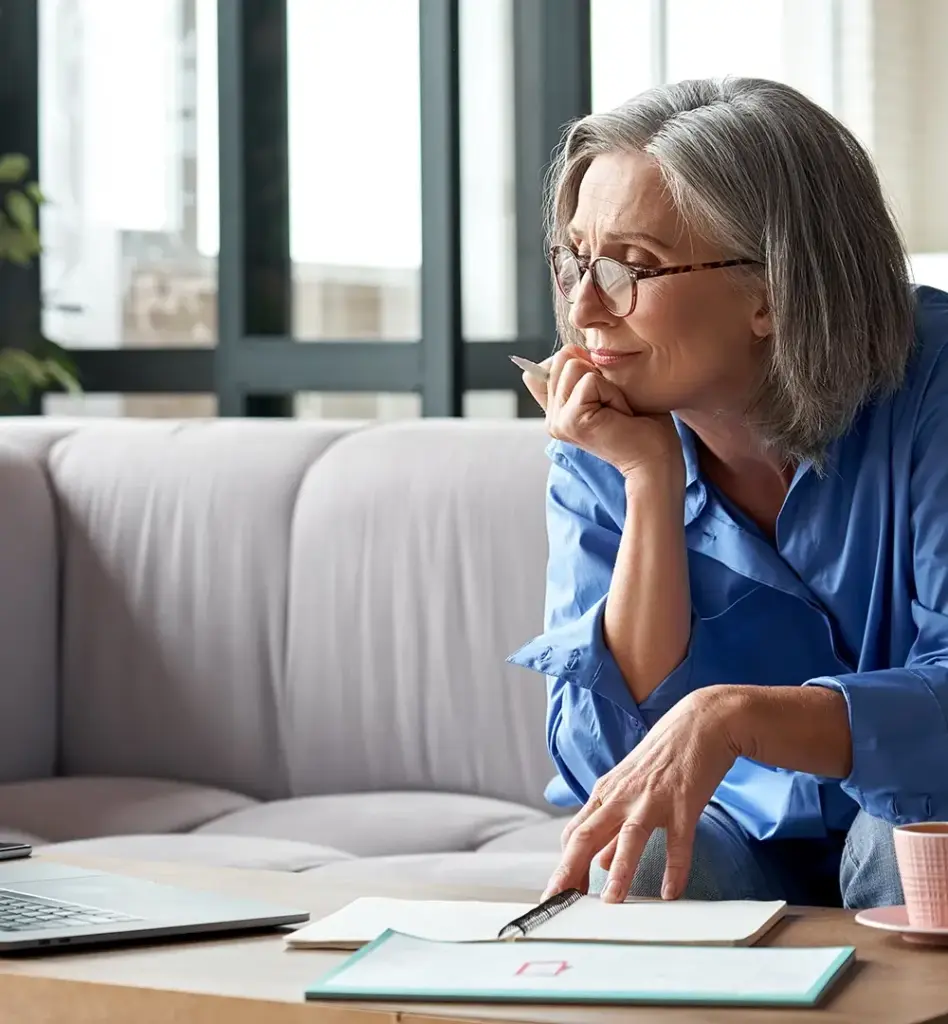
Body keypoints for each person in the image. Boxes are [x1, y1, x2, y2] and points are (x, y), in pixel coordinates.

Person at [507, 76, 948, 911]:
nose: (586, 307)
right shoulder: (607, 424)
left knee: (909, 846)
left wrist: (736, 716)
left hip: (927, 810)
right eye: (577, 260)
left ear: (771, 291)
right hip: (743, 827)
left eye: (632, 266)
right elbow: (605, 760)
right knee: (632, 860)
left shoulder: (936, 388)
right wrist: (648, 483)